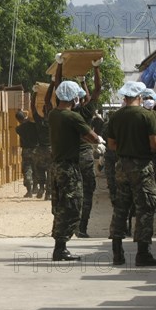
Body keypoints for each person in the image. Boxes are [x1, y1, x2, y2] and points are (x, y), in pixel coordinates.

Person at [107, 81, 156, 267]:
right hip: (142, 167)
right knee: (144, 208)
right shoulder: (147, 116)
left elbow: (112, 145)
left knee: (121, 208)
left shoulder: (116, 117)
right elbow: (154, 145)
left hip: (122, 166)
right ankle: (143, 253)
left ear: (125, 96)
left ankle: (117, 252)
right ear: (140, 96)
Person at [48, 80, 102, 261]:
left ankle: (59, 246)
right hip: (68, 168)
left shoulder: (53, 114)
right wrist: (98, 142)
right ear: (73, 98)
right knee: (72, 206)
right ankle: (61, 247)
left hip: (56, 166)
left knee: (60, 205)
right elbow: (92, 137)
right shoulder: (72, 117)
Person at [55, 55, 103, 238]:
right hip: (85, 156)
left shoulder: (62, 113)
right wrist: (96, 69)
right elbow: (96, 91)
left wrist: (60, 65)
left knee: (68, 193)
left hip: (69, 157)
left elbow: (59, 86)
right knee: (88, 192)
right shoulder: (86, 112)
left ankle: (68, 226)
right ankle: (82, 227)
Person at [31, 81, 55, 200]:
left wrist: (35, 94)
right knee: (51, 171)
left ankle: (41, 187)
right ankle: (49, 193)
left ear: (43, 111)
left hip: (40, 148)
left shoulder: (39, 120)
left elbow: (32, 107)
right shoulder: (54, 121)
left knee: (39, 169)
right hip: (51, 149)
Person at [15, 110, 39, 198]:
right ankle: (36, 187)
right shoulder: (34, 125)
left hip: (26, 150)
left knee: (27, 170)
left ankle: (29, 191)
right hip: (36, 150)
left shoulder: (19, 128)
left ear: (18, 119)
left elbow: (21, 129)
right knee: (36, 168)